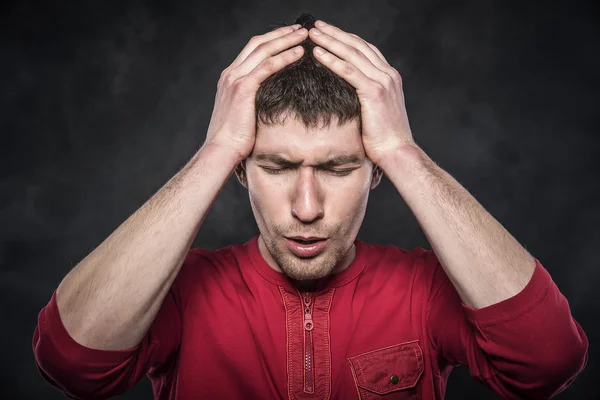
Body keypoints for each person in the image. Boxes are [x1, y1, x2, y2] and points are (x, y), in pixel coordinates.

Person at [32, 13, 587, 400]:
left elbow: (546, 364)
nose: (306, 206)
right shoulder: (179, 291)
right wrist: (217, 148)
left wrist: (401, 150)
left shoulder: (424, 288)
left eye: (339, 168)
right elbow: (73, 365)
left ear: (375, 173)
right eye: (276, 167)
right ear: (243, 170)